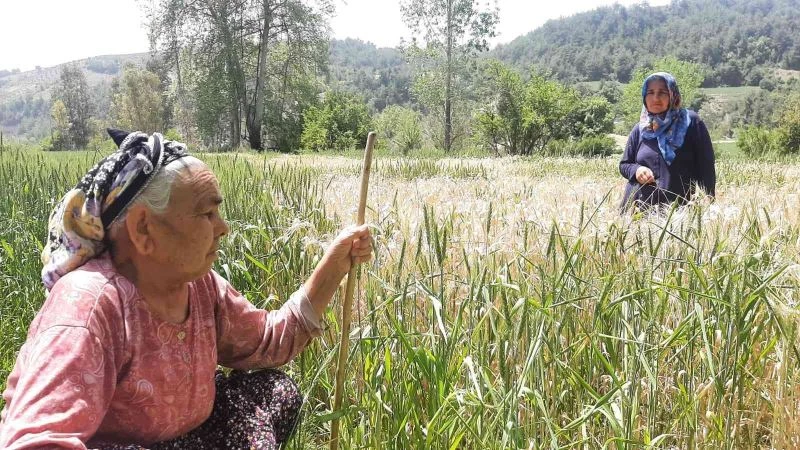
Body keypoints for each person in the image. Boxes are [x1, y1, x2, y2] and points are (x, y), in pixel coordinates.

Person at [0, 129, 373, 450]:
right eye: (205, 213)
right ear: (144, 229)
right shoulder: (90, 305)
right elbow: (36, 440)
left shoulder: (200, 286)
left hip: (188, 437)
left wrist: (334, 266)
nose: (222, 227)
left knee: (274, 392)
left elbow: (266, 341)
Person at [619, 72, 716, 211]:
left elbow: (706, 165)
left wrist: (709, 201)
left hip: (680, 213)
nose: (655, 98)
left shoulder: (691, 123)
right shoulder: (640, 129)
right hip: (638, 212)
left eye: (662, 92)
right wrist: (637, 170)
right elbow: (624, 165)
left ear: (673, 95)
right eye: (650, 92)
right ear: (644, 97)